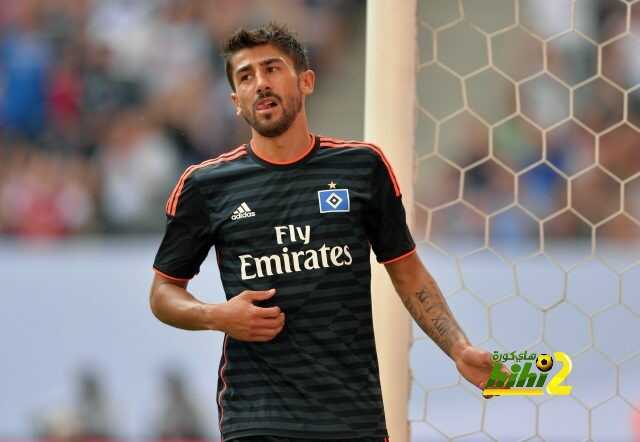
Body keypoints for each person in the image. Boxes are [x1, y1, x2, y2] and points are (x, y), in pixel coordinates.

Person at [150, 23, 494, 442]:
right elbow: (163, 293)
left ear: (306, 81)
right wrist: (216, 316)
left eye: (272, 68)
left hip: (352, 416)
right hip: (258, 416)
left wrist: (459, 348)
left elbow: (408, 272)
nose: (260, 84)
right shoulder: (206, 185)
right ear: (235, 102)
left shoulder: (361, 167)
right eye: (246, 76)